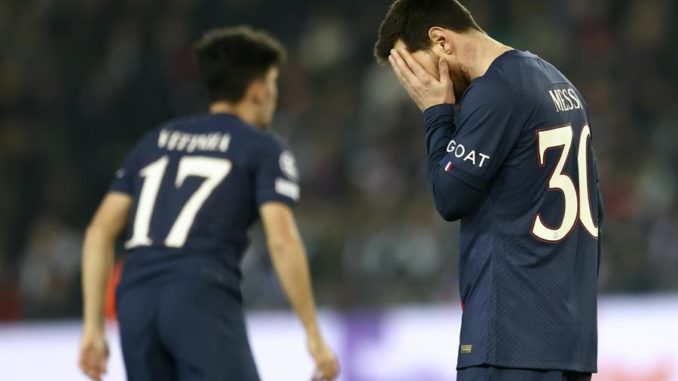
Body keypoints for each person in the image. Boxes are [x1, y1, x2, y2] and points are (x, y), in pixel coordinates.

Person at [78, 26, 340, 381]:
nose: (275, 96)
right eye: (274, 84)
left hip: (135, 301)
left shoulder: (155, 141)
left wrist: (93, 326)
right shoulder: (263, 148)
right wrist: (313, 333)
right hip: (199, 294)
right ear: (258, 91)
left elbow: (98, 232)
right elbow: (282, 240)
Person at [374, 1, 603, 380]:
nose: (418, 85)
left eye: (415, 69)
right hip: (569, 343)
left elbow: (449, 197)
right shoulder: (558, 83)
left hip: (509, 338)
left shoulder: (496, 90)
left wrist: (436, 115)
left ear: (441, 41)